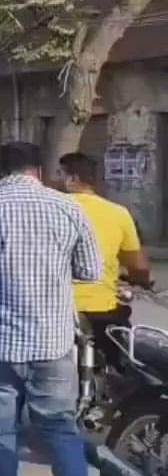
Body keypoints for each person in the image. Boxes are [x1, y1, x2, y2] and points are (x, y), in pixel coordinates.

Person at [0, 142, 101, 476]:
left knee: (0, 435)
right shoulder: (68, 207)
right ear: (39, 169)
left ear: (2, 170)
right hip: (52, 342)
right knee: (61, 432)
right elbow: (91, 271)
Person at [57, 151, 153, 366]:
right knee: (123, 358)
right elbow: (138, 266)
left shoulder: (49, 209)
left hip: (55, 309)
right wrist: (141, 280)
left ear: (72, 178)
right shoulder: (118, 213)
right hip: (102, 310)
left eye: (59, 174)